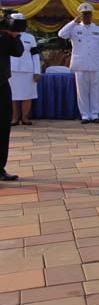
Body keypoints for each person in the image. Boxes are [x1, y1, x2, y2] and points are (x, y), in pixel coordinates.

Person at [58, 3, 99, 124]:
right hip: (80, 64)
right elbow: (61, 34)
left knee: (96, 91)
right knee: (82, 91)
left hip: (95, 64)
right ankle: (85, 115)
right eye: (84, 15)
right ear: (80, 15)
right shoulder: (74, 28)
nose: (86, 17)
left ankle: (95, 114)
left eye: (88, 14)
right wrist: (74, 22)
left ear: (92, 15)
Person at [0, 13, 24, 181]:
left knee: (3, 127)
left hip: (1, 85)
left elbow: (18, 52)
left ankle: (0, 168)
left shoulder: (6, 36)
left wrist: (14, 36)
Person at [9, 15, 41, 126]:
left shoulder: (30, 38)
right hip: (11, 70)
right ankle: (14, 118)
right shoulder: (7, 36)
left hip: (27, 71)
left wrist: (37, 71)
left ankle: (25, 117)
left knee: (27, 95)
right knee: (12, 96)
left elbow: (35, 55)